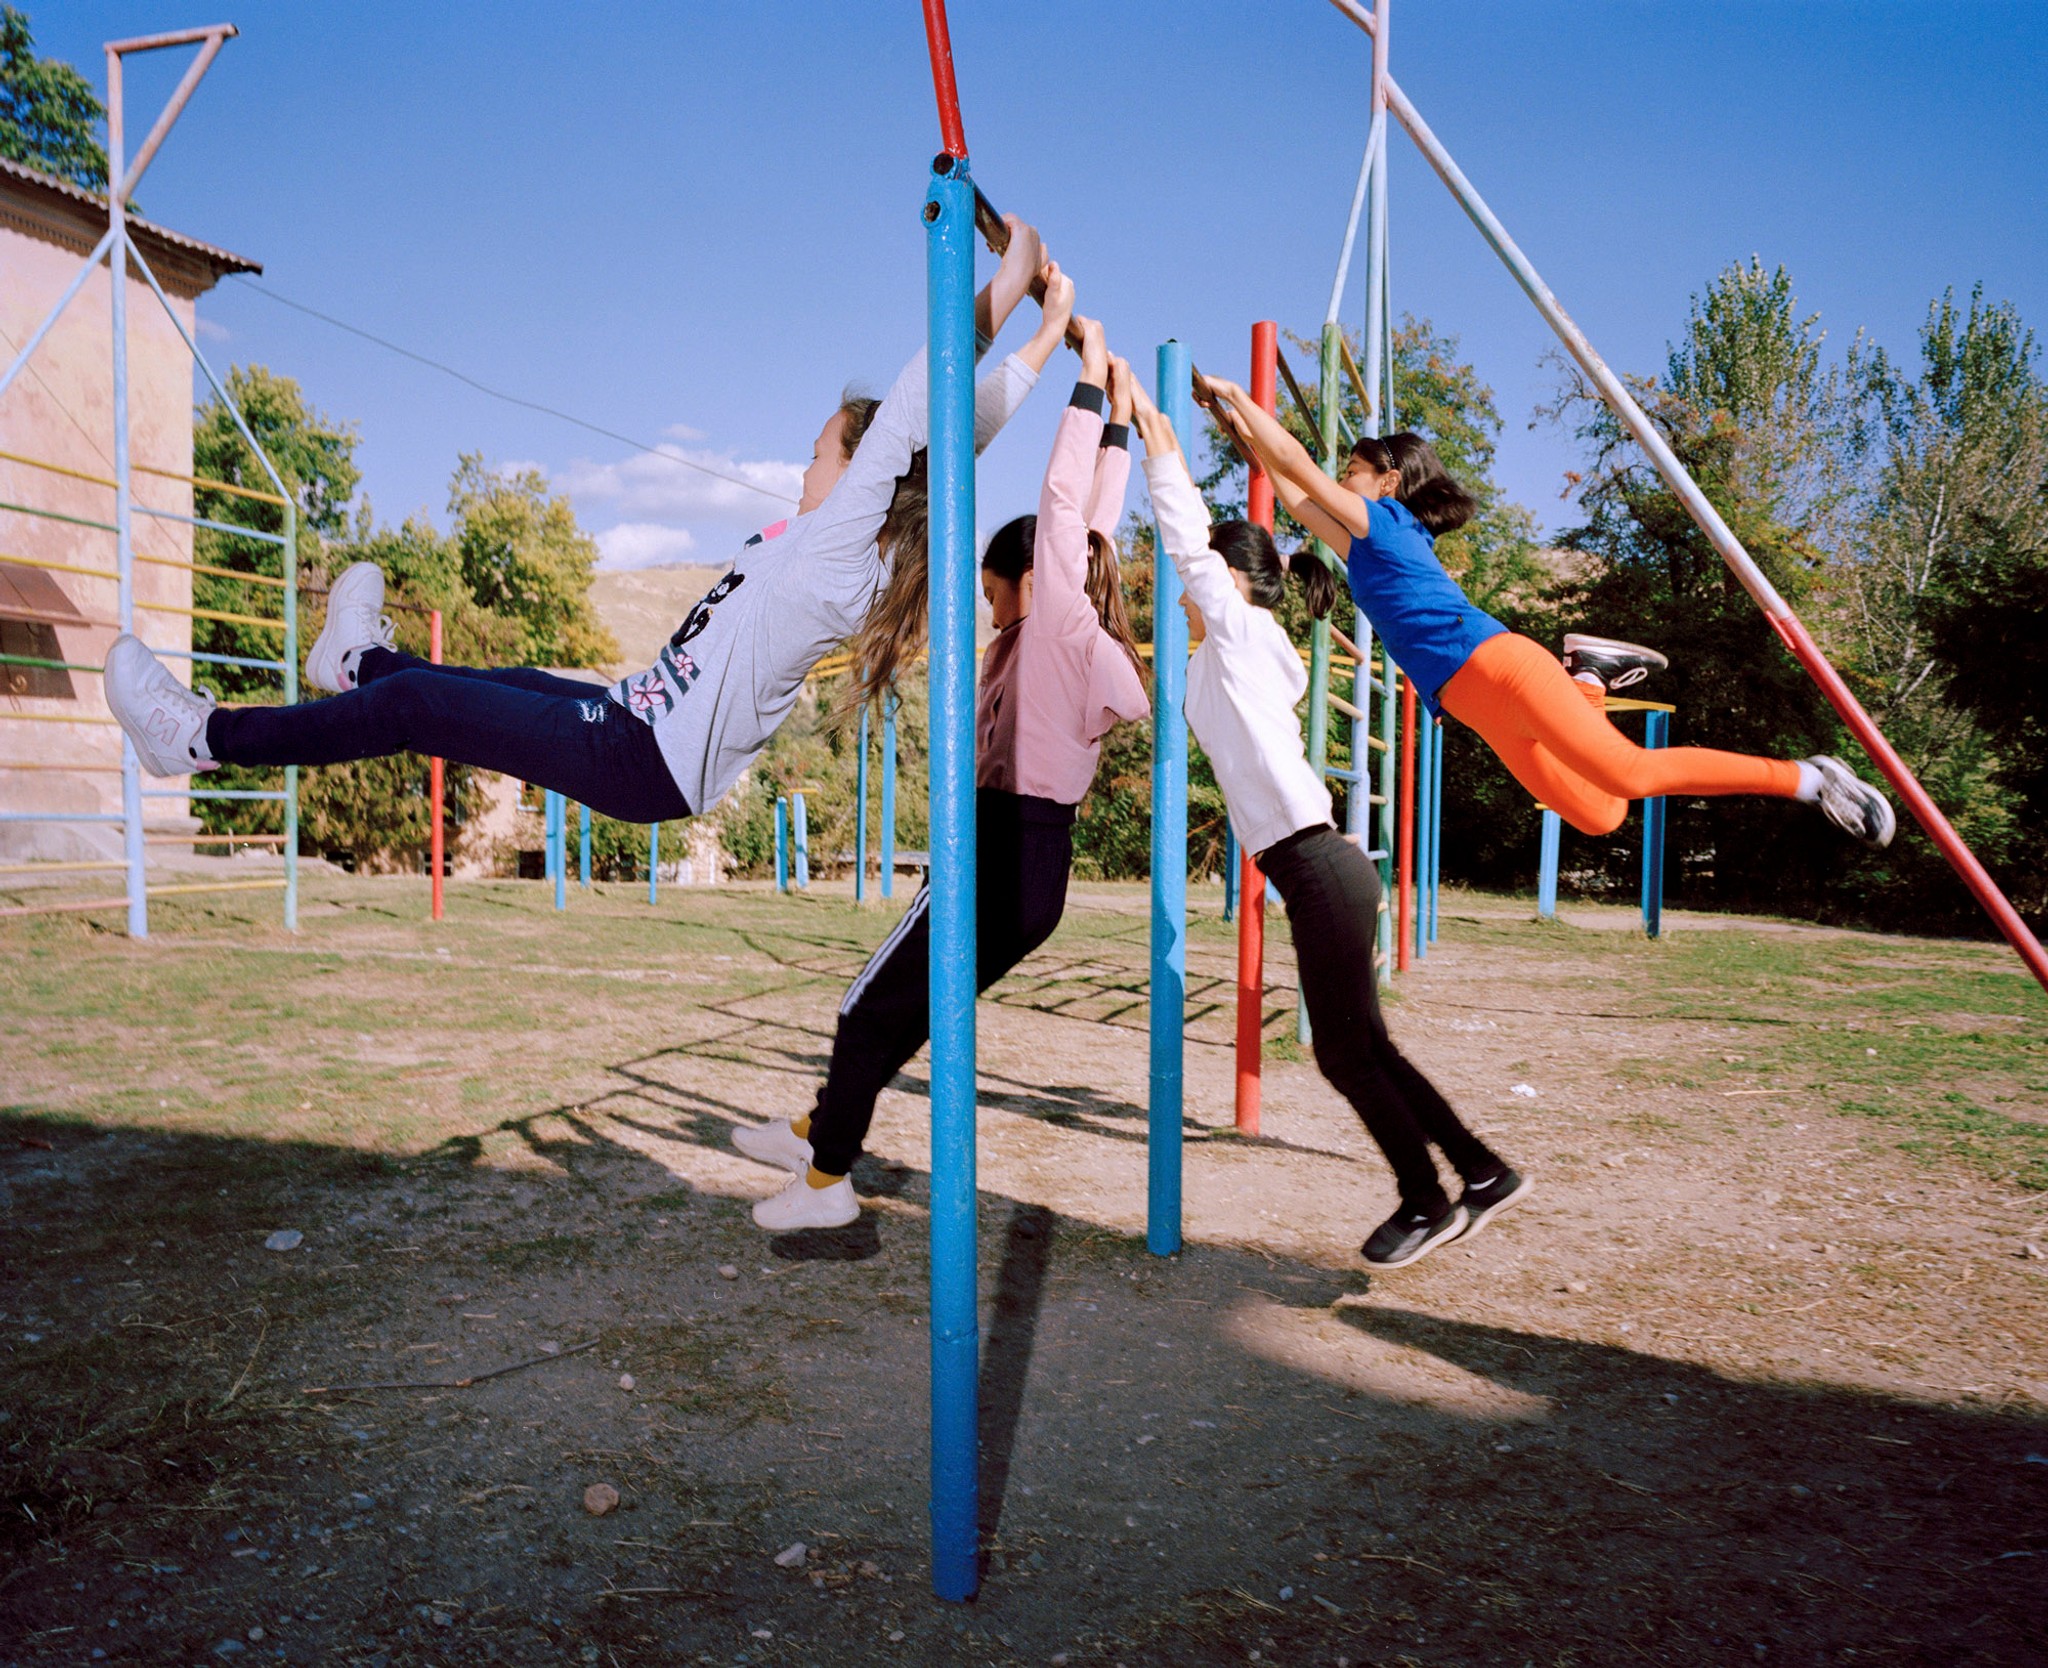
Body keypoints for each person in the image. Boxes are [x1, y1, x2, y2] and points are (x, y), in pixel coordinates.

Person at [102, 219, 1071, 831]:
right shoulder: (849, 542)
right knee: (494, 685)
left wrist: (1006, 279)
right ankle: (355, 662)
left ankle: (199, 737)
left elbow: (917, 409)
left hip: (639, 756)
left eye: (817, 454)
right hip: (633, 722)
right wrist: (1043, 332)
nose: (802, 466)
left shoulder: (838, 551)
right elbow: (951, 438)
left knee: (421, 708)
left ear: (860, 474)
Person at [732, 294, 1150, 1232]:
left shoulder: (1057, 626)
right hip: (1038, 869)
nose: (992, 609)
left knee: (865, 1007)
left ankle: (825, 1184)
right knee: (906, 1013)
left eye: (999, 592)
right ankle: (820, 1134)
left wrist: (1088, 382)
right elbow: (1096, 524)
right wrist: (1118, 423)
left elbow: (1065, 509)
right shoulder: (1070, 633)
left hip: (996, 853)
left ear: (1035, 581)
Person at [1131, 375, 1523, 1270]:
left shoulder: (1241, 635)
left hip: (1315, 865)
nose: (1183, 592)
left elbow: (1189, 541)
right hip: (1313, 866)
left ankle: (1426, 1198)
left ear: (1231, 581)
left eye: (1198, 581)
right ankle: (1481, 1170)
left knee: (1345, 1055)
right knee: (1365, 1045)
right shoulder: (1230, 656)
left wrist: (1160, 443)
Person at [1197, 380, 1897, 850]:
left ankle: (1809, 778)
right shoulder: (1364, 542)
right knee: (1600, 814)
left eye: (1352, 470)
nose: (1342, 479)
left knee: (1630, 773)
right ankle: (1589, 674)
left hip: (1500, 668)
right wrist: (1231, 425)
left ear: (1388, 482)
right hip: (1474, 703)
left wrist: (1240, 397)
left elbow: (1297, 467)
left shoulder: (1384, 523)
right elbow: (1292, 493)